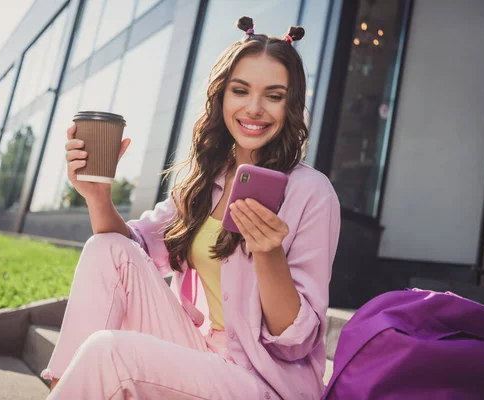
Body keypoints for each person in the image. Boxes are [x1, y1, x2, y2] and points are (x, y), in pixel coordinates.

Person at [43, 17, 340, 400]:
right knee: (105, 248)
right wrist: (97, 196)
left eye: (274, 95)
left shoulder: (312, 193)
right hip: (199, 352)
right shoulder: (208, 179)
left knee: (109, 351)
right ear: (221, 96)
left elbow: (296, 343)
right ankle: (63, 389)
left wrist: (268, 253)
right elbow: (134, 249)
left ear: (291, 105)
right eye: (240, 90)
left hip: (263, 384)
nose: (254, 108)